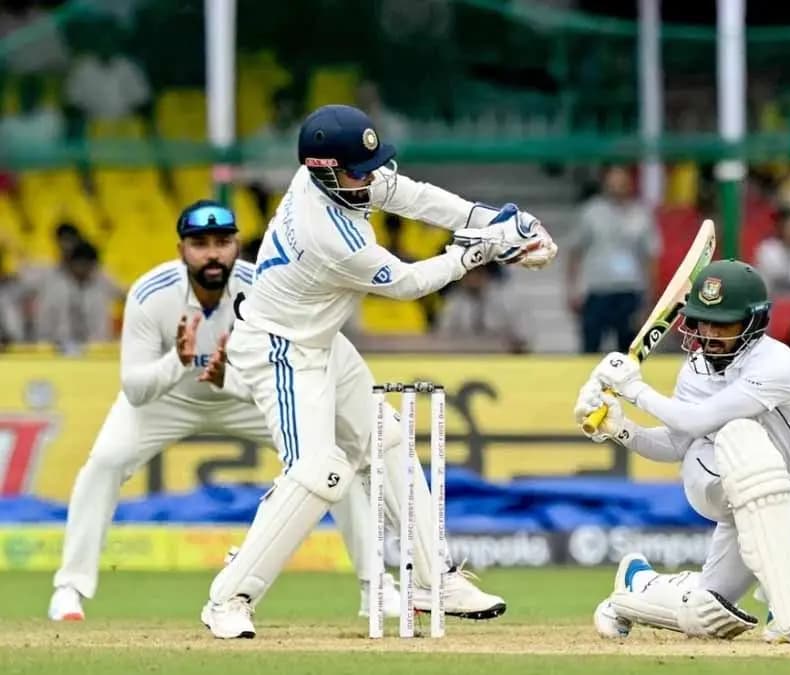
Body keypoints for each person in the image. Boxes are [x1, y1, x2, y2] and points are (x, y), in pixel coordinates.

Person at [201, 104, 556, 639]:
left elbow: (414, 196)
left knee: (387, 439)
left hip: (321, 339)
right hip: (280, 348)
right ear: (325, 171)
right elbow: (407, 284)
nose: (369, 178)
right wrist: (478, 252)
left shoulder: (345, 180)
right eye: (358, 171)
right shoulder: (328, 234)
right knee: (319, 473)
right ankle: (229, 598)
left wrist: (495, 220)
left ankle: (432, 582)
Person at [47, 201, 498, 622]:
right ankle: (70, 587)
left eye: (222, 242)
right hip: (167, 400)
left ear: (236, 245)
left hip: (245, 396)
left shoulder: (264, 284)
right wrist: (176, 363)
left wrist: (228, 378)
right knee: (103, 464)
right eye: (200, 244)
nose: (212, 254)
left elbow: (284, 367)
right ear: (181, 249)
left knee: (331, 461)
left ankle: (375, 586)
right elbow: (135, 389)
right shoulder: (151, 294)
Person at [574, 259, 790, 645]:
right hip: (713, 476)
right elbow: (678, 443)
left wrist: (634, 391)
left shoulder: (775, 363)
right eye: (704, 322)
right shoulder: (695, 369)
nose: (710, 334)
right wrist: (622, 430)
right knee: (741, 437)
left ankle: (636, 588)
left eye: (724, 324)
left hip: (777, 489)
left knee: (708, 610)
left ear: (753, 322)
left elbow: (698, 419)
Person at [565, 164, 660, 353]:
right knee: (590, 347)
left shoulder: (641, 214)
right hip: (597, 291)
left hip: (630, 291)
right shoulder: (591, 212)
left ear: (629, 184)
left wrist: (651, 297)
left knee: (630, 352)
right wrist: (572, 289)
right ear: (605, 183)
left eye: (621, 182)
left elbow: (651, 257)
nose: (617, 187)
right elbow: (575, 252)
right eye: (612, 182)